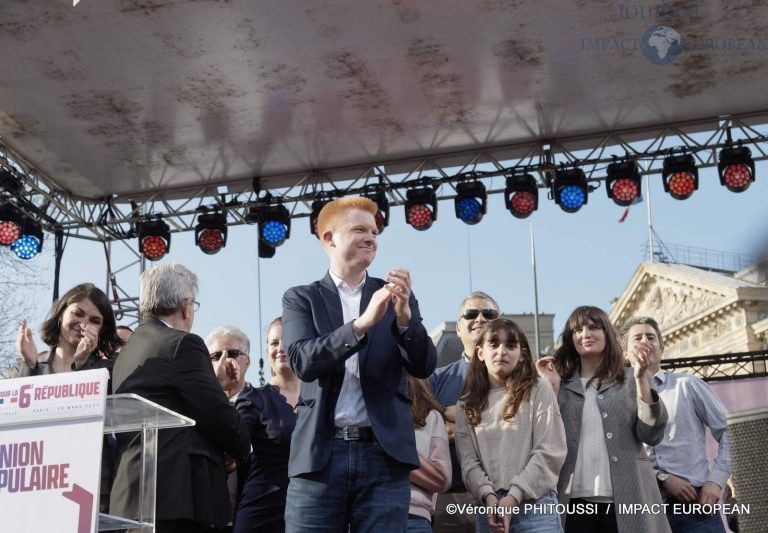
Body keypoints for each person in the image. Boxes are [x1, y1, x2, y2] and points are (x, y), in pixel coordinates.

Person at [281, 196, 437, 532]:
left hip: (383, 457)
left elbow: (424, 366)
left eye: (375, 232)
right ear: (329, 238)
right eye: (359, 230)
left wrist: (407, 322)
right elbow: (303, 361)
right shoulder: (301, 298)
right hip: (320, 456)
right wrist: (360, 325)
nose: (371, 238)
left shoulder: (396, 295)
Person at [110, 263, 251, 533]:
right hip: (178, 499)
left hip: (132, 497)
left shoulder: (126, 355)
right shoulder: (182, 344)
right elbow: (218, 414)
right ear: (186, 306)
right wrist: (242, 449)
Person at [537, 305, 670, 533]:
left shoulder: (632, 377)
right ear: (571, 339)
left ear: (607, 333)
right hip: (572, 504)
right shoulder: (561, 383)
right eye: (577, 330)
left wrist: (639, 378)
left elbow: (652, 434)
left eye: (593, 327)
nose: (585, 334)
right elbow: (545, 439)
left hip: (627, 501)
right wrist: (550, 387)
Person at [620, 316, 731, 533]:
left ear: (661, 347)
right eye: (638, 337)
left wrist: (716, 482)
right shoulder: (617, 397)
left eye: (651, 337)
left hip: (695, 508)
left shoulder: (687, 386)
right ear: (625, 352)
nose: (645, 341)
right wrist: (661, 477)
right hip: (641, 511)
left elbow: (731, 433)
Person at [456, 318, 566, 533]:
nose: (502, 351)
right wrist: (488, 496)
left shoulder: (539, 389)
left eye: (511, 345)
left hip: (536, 505)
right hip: (489, 509)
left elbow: (549, 451)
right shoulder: (465, 405)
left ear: (522, 353)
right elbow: (469, 463)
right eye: (494, 344)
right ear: (480, 353)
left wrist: (514, 496)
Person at [429, 291, 500, 532]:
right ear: (458, 328)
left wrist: (459, 421)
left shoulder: (521, 379)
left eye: (488, 314)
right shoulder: (436, 379)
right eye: (471, 314)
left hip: (506, 495)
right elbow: (422, 424)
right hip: (452, 496)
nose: (480, 318)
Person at [233, 317, 299, 533]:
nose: (280, 348)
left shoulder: (324, 397)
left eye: (287, 340)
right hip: (262, 512)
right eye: (273, 343)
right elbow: (234, 442)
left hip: (313, 512)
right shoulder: (253, 399)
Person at [10, 282, 122, 378]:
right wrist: (30, 367)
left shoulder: (108, 372)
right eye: (78, 314)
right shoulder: (24, 365)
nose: (83, 324)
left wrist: (83, 365)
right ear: (61, 314)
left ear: (102, 330)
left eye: (94, 321)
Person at [205, 325, 255, 532]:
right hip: (209, 515)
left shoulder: (266, 402)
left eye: (233, 353)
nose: (224, 361)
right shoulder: (199, 406)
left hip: (253, 512)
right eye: (216, 356)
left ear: (247, 361)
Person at [406, 374, 451, 533]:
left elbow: (442, 477)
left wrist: (395, 453)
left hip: (415, 515)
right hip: (370, 511)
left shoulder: (431, 417)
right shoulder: (364, 415)